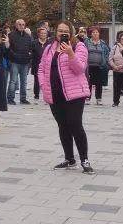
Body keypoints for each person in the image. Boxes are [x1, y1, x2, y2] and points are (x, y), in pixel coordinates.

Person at [38, 21, 94, 173]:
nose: (62, 33)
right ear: (55, 32)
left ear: (71, 33)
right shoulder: (49, 48)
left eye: (66, 31)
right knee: (63, 126)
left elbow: (80, 69)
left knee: (75, 125)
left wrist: (70, 53)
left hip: (74, 94)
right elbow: (41, 68)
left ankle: (84, 159)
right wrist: (43, 85)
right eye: (59, 30)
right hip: (55, 94)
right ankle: (69, 158)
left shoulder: (79, 46)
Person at [7, 19, 32, 105]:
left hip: (25, 62)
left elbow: (31, 47)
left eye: (23, 24)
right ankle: (10, 98)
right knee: (13, 80)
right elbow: (8, 48)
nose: (22, 26)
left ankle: (23, 98)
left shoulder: (28, 36)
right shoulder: (11, 35)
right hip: (14, 61)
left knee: (24, 81)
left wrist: (29, 55)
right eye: (20, 24)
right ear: (16, 25)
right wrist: (13, 56)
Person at [85, 27, 109, 106]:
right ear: (91, 34)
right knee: (88, 83)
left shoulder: (102, 43)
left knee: (99, 83)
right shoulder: (87, 42)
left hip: (100, 66)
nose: (95, 34)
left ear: (99, 34)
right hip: (88, 66)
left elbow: (106, 53)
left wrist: (105, 62)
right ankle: (87, 98)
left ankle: (99, 99)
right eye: (93, 32)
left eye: (96, 32)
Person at [30, 27, 50, 101]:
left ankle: (47, 96)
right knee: (37, 81)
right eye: (41, 33)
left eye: (45, 33)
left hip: (47, 65)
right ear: (38, 34)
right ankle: (36, 96)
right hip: (37, 65)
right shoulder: (34, 43)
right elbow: (30, 54)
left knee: (48, 81)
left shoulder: (49, 43)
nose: (43, 34)